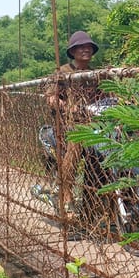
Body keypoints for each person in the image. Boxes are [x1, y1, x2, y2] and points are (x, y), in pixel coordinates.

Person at [44, 31, 101, 215]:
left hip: (94, 122)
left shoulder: (96, 73)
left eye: (89, 47)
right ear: (73, 50)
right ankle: (65, 191)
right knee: (76, 144)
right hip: (70, 124)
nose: (86, 50)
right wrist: (70, 108)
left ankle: (98, 202)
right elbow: (51, 99)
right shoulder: (63, 72)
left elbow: (106, 97)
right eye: (81, 47)